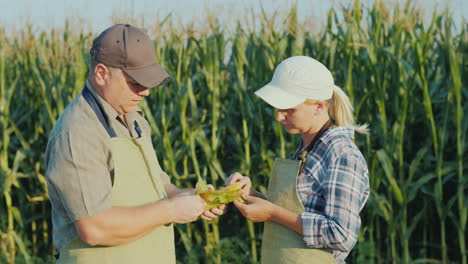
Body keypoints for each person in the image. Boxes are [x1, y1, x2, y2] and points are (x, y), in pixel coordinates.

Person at [45, 24, 225, 264]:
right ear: (101, 73)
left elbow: (159, 187)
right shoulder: (78, 132)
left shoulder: (135, 119)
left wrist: (192, 197)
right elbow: (94, 227)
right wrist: (172, 210)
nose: (146, 92)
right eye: (136, 81)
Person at [226, 56, 370, 264]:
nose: (278, 117)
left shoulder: (342, 154)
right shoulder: (309, 147)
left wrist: (272, 213)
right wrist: (250, 194)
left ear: (319, 106)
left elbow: (341, 234)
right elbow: (297, 214)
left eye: (289, 109)